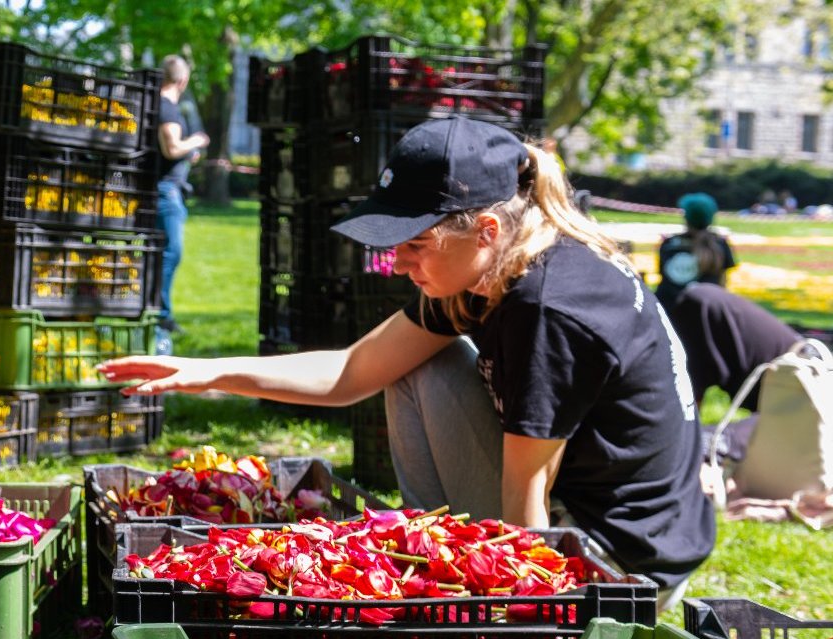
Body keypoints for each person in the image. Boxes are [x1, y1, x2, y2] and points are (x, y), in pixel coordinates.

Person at [99, 117, 715, 608]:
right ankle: (435, 557)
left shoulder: (545, 309)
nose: (397, 263)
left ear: (487, 230)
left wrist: (525, 627)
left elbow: (529, 493)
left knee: (427, 385)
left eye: (416, 243)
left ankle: (449, 593)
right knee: (413, 366)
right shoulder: (502, 269)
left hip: (620, 567)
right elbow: (352, 372)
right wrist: (207, 373)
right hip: (615, 525)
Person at [667, 280, 811, 462]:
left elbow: (684, 411)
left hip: (806, 395)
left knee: (697, 446)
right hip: (795, 389)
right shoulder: (700, 307)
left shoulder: (693, 313)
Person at [153, 54, 210, 355]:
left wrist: (189, 153)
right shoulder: (167, 107)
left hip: (167, 190)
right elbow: (171, 147)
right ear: (182, 80)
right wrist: (197, 142)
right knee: (170, 253)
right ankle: (160, 317)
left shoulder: (155, 105)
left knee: (165, 254)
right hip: (166, 193)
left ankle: (161, 315)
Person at [655, 192, 736, 316]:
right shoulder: (719, 244)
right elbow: (723, 282)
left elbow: (662, 276)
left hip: (669, 310)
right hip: (705, 311)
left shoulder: (669, 244)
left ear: (686, 218)